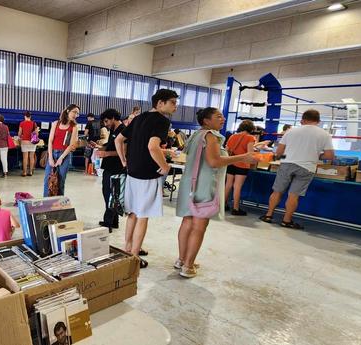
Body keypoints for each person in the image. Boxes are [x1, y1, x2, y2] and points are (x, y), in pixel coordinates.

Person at [175, 108, 255, 278]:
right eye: (218, 116)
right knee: (199, 226)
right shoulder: (212, 135)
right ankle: (188, 266)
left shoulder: (196, 135)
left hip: (189, 184)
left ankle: (182, 259)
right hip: (204, 185)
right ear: (206, 120)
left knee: (187, 222)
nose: (223, 119)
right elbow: (214, 161)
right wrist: (242, 157)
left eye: (223, 116)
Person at [114, 89, 177, 268]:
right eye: (172, 102)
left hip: (133, 171)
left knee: (133, 212)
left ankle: (128, 248)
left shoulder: (138, 118)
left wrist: (123, 160)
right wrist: (165, 166)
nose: (175, 106)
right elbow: (152, 146)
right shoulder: (162, 121)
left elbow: (119, 140)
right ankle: (134, 256)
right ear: (160, 103)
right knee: (143, 215)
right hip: (148, 174)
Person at [260, 109, 334, 229]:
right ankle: (286, 221)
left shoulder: (290, 131)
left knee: (277, 191)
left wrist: (289, 156)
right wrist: (317, 155)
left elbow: (279, 152)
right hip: (307, 166)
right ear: (318, 121)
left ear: (302, 120)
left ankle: (268, 215)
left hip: (287, 163)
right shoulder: (324, 134)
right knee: (293, 195)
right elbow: (330, 156)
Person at [97, 109, 126, 230]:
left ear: (113, 118)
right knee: (109, 193)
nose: (106, 124)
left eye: (107, 121)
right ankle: (114, 221)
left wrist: (106, 154)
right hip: (109, 167)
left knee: (111, 194)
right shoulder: (113, 130)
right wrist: (100, 147)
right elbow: (112, 146)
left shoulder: (123, 130)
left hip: (116, 168)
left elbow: (124, 151)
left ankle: (108, 222)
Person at [43, 104, 79, 197]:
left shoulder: (74, 127)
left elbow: (71, 145)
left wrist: (61, 158)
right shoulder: (56, 123)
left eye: (77, 113)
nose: (76, 115)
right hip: (52, 152)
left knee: (61, 181)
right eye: (74, 112)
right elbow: (50, 141)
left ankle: (59, 204)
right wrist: (50, 157)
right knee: (48, 179)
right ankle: (46, 203)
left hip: (65, 155)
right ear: (67, 111)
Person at [224, 120, 257, 216]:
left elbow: (227, 150)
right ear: (251, 128)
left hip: (231, 162)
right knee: (237, 186)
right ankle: (236, 208)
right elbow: (250, 153)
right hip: (242, 164)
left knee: (228, 184)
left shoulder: (233, 136)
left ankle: (223, 204)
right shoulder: (250, 137)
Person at [18, 111, 38, 177]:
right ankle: (31, 172)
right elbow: (37, 133)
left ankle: (24, 172)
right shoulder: (34, 123)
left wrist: (20, 136)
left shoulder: (22, 123)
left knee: (25, 158)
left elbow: (19, 133)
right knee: (32, 157)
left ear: (25, 116)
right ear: (30, 116)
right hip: (33, 142)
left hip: (24, 142)